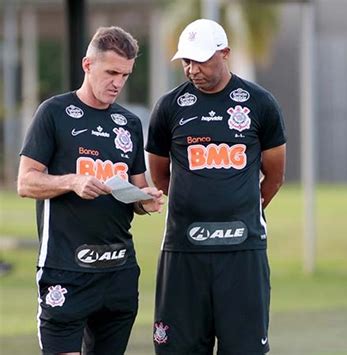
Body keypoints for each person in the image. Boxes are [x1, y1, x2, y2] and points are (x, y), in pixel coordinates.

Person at [17, 26, 164, 355]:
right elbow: (25, 182)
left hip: (119, 272)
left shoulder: (127, 123)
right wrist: (71, 181)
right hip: (66, 271)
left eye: (125, 74)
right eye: (111, 72)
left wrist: (147, 199)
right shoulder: (53, 113)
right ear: (87, 65)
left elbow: (137, 187)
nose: (118, 83)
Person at [146, 19, 287, 355]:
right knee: (178, 348)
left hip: (242, 250)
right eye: (186, 61)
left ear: (225, 54)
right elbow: (160, 175)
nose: (192, 69)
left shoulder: (259, 103)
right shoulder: (169, 107)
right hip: (183, 250)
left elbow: (275, 176)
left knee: (244, 348)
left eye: (200, 59)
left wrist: (240, 206)